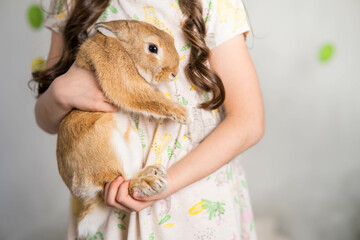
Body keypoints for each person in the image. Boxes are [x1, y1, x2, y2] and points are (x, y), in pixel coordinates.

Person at [32, 0, 264, 239]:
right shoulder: (74, 3)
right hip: (107, 211)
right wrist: (59, 92)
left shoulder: (213, 4)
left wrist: (162, 183)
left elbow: (248, 121)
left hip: (190, 205)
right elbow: (45, 119)